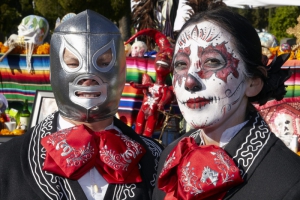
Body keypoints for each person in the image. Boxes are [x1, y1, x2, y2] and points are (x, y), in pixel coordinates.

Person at [0, 10, 163, 200]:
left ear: (122, 72)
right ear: (53, 72)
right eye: (73, 63)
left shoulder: (156, 161)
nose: (88, 77)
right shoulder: (6, 162)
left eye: (103, 62)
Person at [152, 7, 300, 200]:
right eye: (181, 64)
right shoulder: (171, 156)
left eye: (212, 62)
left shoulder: (288, 183)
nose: (189, 81)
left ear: (253, 82)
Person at [126, 29, 174, 138]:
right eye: (161, 53)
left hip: (153, 113)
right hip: (143, 110)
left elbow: (165, 98)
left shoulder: (165, 89)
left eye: (169, 57)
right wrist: (135, 85)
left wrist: (162, 103)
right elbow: (143, 86)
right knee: (137, 132)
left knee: (148, 134)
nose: (164, 56)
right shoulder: (149, 83)